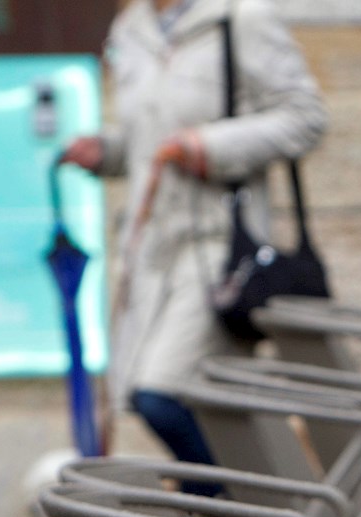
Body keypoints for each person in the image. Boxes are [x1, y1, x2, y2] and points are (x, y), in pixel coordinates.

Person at [61, 0, 327, 468]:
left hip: (220, 248)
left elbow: (306, 118)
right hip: (151, 253)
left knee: (160, 396)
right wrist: (107, 151)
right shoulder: (131, 28)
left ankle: (239, 509)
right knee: (153, 398)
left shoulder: (241, 18)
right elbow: (150, 140)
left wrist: (212, 145)